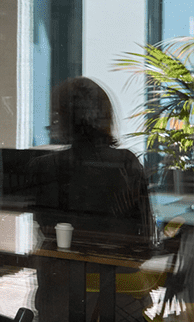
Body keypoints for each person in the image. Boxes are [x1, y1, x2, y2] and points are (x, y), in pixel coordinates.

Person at [29, 76, 153, 242]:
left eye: (56, 112)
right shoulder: (126, 162)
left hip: (60, 264)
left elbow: (46, 231)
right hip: (117, 265)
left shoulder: (46, 166)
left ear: (65, 118)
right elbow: (146, 233)